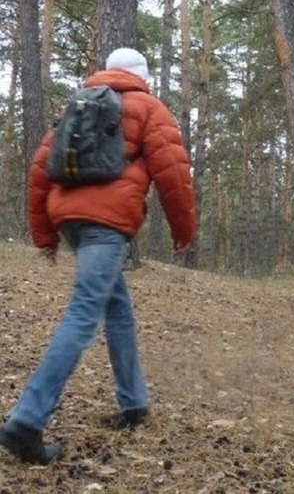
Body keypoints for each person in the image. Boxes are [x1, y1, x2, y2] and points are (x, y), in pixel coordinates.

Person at [0, 48, 196, 465]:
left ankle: (133, 403)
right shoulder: (148, 107)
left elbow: (40, 169)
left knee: (117, 307)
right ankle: (27, 420)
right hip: (107, 224)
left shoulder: (78, 102)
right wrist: (184, 232)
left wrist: (45, 234)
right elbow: (173, 173)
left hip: (69, 217)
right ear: (142, 75)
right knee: (83, 314)